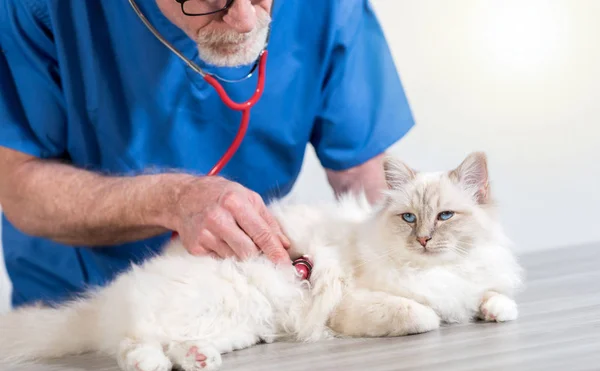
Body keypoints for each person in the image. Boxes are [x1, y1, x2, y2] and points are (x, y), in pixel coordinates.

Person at [0, 0, 414, 308]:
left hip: (243, 301)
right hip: (80, 311)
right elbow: (18, 186)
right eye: (213, 0)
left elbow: (363, 177)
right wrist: (171, 200)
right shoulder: (40, 9)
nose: (246, 19)